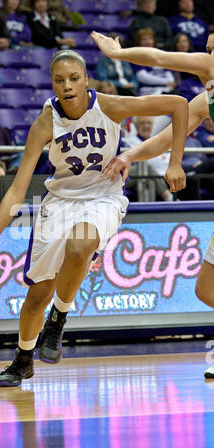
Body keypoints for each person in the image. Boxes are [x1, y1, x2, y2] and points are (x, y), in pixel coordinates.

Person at [0, 49, 188, 387]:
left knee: (80, 245)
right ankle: (23, 358)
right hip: (59, 202)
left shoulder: (109, 106)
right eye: (59, 80)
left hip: (103, 197)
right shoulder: (45, 122)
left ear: (86, 79)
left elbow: (180, 105)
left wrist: (175, 162)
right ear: (52, 84)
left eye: (73, 78)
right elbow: (16, 189)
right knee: (36, 297)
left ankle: (58, 321)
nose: (67, 86)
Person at [90, 32, 214, 368]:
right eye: (208, 49)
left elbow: (160, 57)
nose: (209, 56)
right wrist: (129, 155)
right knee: (205, 289)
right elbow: (165, 139)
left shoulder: (209, 69)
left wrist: (118, 53)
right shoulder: (205, 101)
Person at [122, 115, 173, 201]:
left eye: (148, 123)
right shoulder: (128, 143)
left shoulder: (158, 142)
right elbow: (135, 165)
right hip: (133, 177)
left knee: (150, 181)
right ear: (136, 126)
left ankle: (149, 212)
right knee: (145, 168)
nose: (146, 126)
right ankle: (168, 196)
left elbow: (166, 161)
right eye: (142, 123)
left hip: (157, 177)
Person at [132, 28, 177, 95]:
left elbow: (168, 73)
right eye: (144, 39)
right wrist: (166, 82)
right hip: (147, 90)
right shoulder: (137, 57)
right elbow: (143, 77)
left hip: (165, 89)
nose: (148, 41)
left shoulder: (160, 55)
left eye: (150, 38)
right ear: (139, 42)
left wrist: (170, 82)